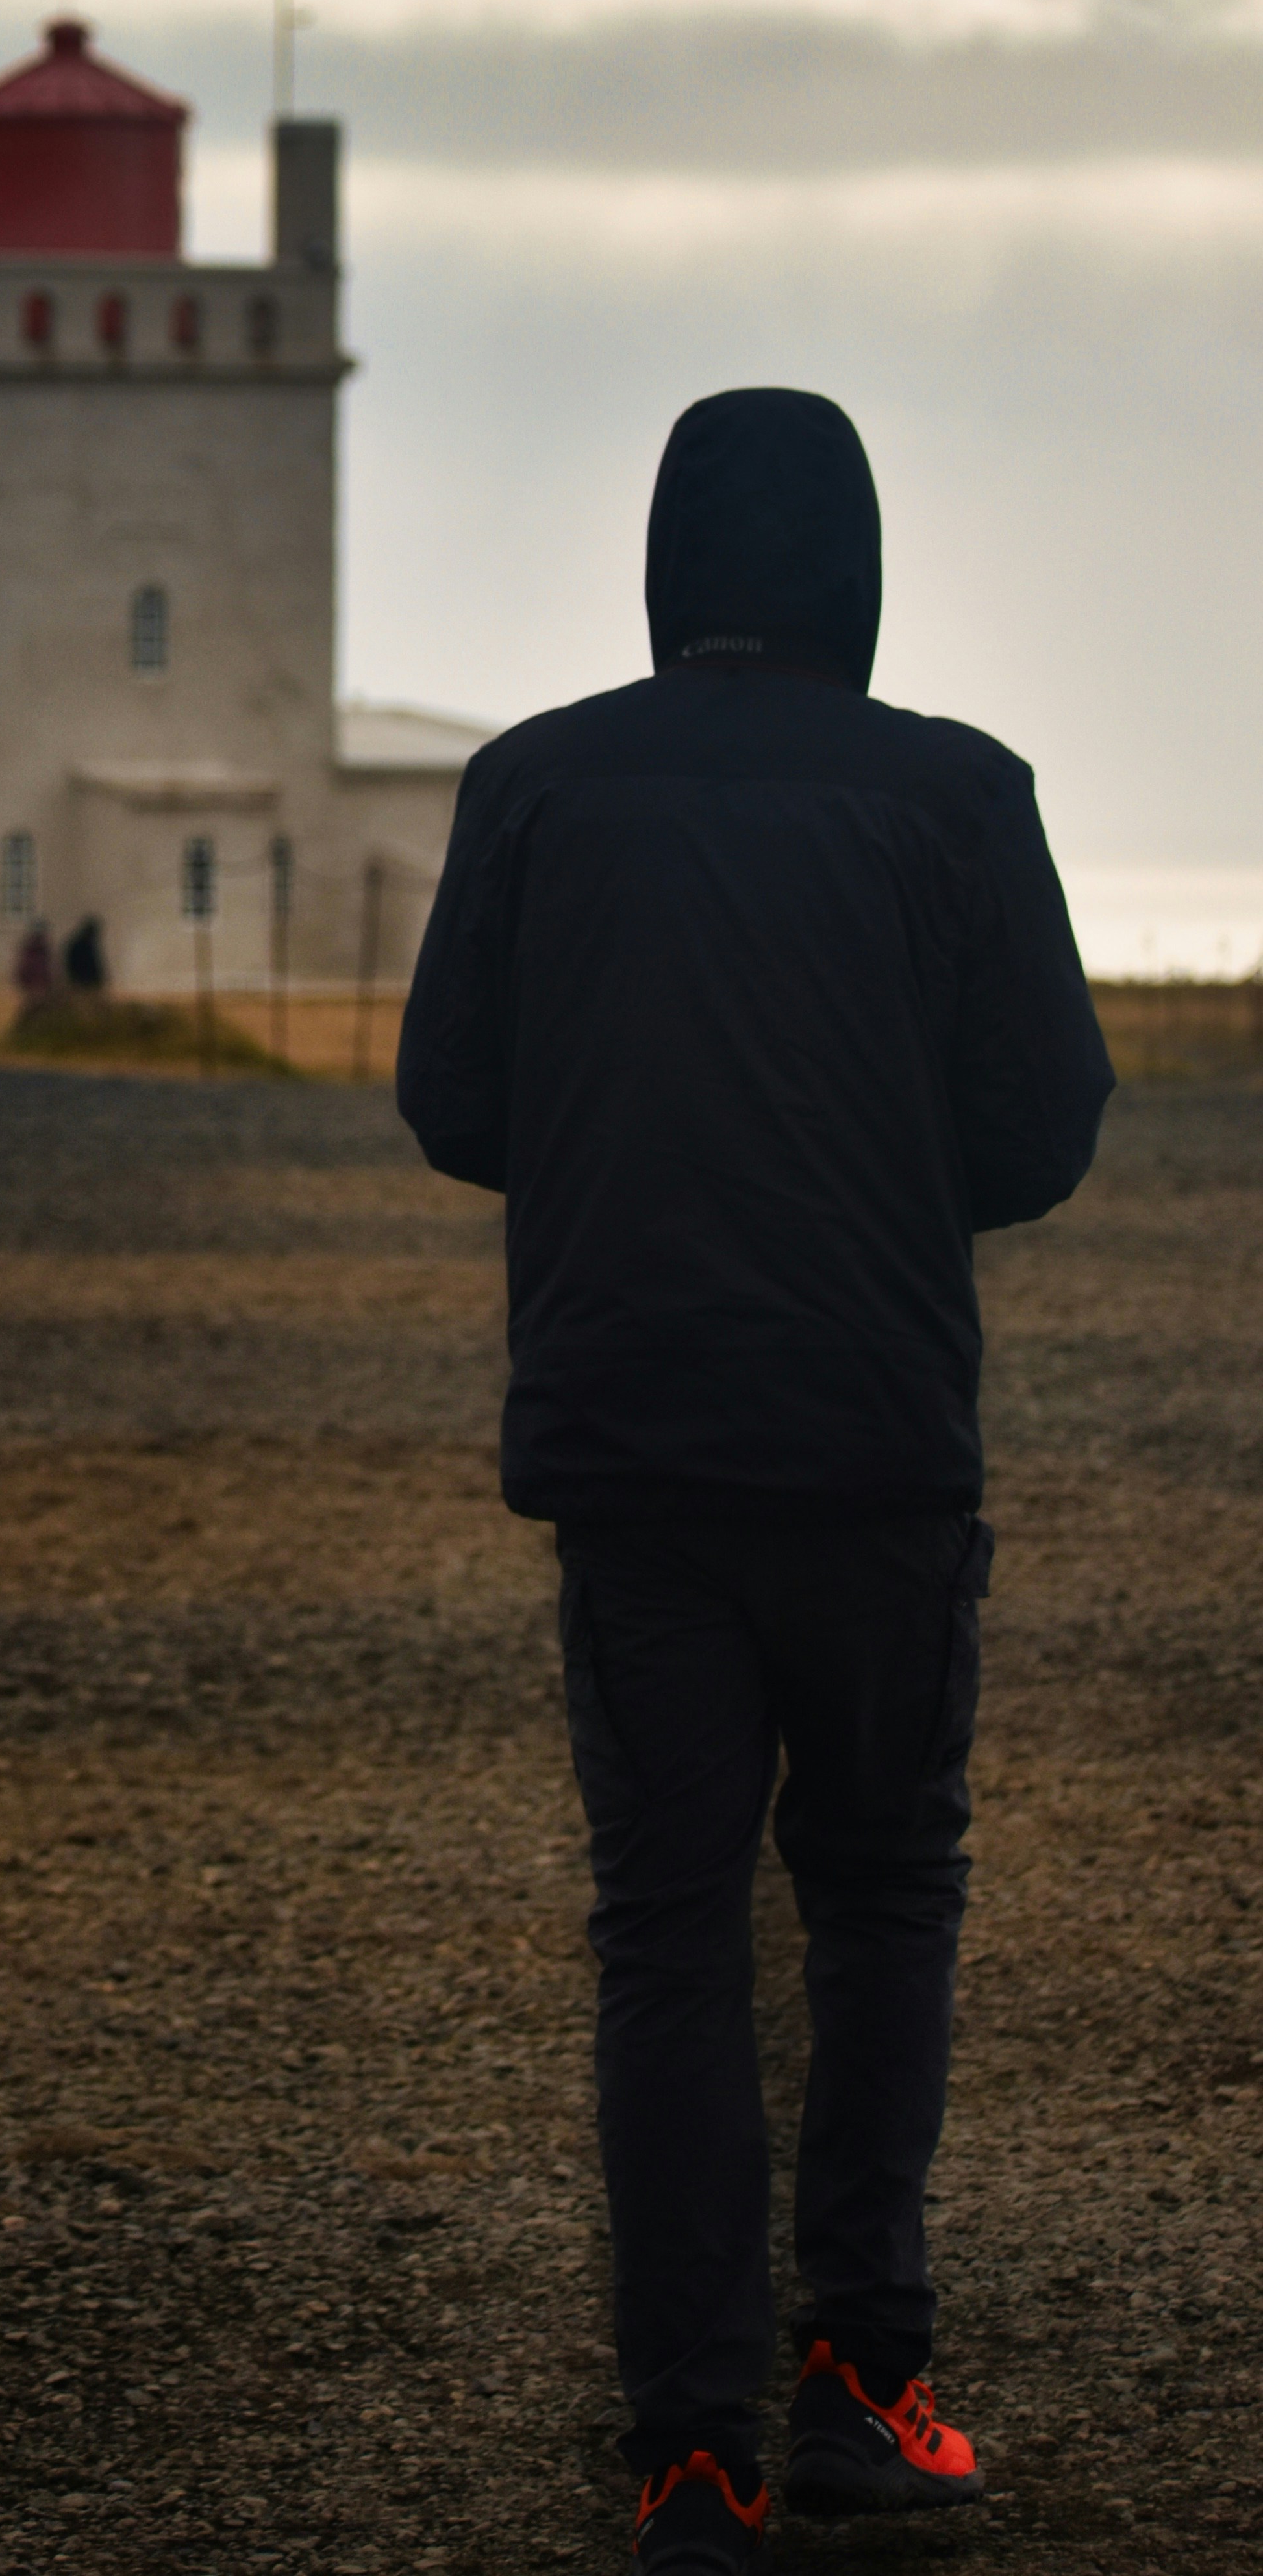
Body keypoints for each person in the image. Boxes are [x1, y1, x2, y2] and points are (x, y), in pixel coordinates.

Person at [396, 390, 1112, 2570]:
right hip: (879, 1441)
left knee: (668, 1931)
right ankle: (856, 2385)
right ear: (858, 571)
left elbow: (455, 1099)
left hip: (630, 1440)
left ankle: (690, 2450)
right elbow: (1044, 1127)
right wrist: (870, 1168)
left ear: (667, 561)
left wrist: (639, 1152)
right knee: (884, 1895)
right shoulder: (961, 796)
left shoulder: (534, 785)